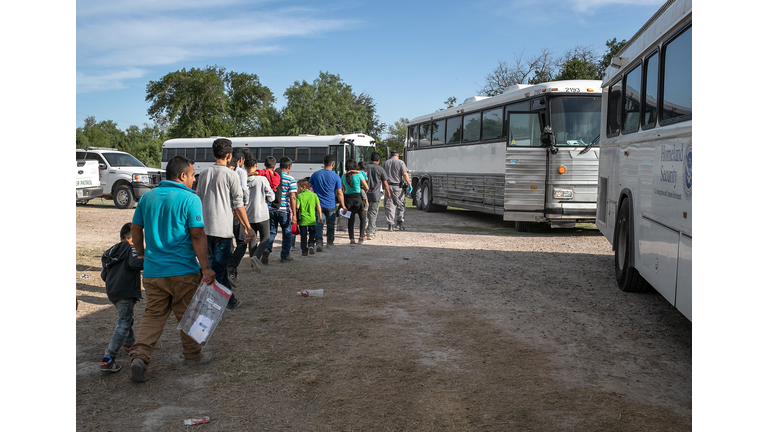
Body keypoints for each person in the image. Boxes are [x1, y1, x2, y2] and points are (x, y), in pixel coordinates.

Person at [129, 155, 218, 383]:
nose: (193, 179)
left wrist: (140, 252)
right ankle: (193, 356)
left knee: (153, 315)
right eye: (191, 175)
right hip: (183, 271)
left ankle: (139, 357)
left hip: (153, 272)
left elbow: (135, 229)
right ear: (182, 176)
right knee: (190, 314)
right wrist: (205, 267)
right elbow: (197, 234)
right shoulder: (190, 199)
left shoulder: (147, 197)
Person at [196, 138, 254, 309]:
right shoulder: (231, 175)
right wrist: (247, 227)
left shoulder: (204, 173)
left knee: (212, 266)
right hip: (222, 230)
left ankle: (225, 300)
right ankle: (224, 301)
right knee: (218, 270)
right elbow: (238, 204)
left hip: (205, 229)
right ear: (229, 155)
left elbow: (198, 199)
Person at [99, 222, 144, 373]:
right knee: (123, 323)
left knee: (126, 318)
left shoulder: (110, 251)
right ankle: (109, 358)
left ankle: (130, 344)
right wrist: (145, 255)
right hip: (125, 291)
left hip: (112, 291)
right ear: (132, 239)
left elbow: (103, 274)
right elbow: (135, 263)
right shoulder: (131, 248)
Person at [309, 154, 347, 250]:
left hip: (318, 204)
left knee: (318, 223)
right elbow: (339, 193)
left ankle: (318, 242)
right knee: (330, 224)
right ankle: (330, 242)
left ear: (323, 163)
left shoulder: (316, 174)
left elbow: (309, 187)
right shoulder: (336, 176)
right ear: (333, 164)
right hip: (330, 204)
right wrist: (343, 205)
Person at [244, 154, 274, 272]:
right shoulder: (262, 179)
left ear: (245, 166)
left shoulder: (242, 180)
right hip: (262, 214)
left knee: (252, 239)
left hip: (248, 214)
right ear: (256, 165)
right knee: (265, 238)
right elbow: (271, 197)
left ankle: (253, 265)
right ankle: (256, 257)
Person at [265, 156, 298, 263]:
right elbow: (293, 197)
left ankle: (267, 249)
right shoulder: (290, 179)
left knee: (272, 232)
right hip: (284, 210)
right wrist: (294, 214)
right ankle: (285, 255)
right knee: (287, 233)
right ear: (289, 167)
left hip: (271, 209)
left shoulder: (272, 177)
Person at [227, 149, 250, 284]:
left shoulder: (210, 172)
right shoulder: (240, 172)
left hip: (222, 214)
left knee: (228, 242)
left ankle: (229, 269)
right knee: (242, 241)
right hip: (236, 212)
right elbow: (243, 192)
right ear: (240, 160)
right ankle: (231, 267)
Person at [381, 149, 412, 231]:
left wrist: (383, 186)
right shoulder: (401, 162)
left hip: (387, 186)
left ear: (391, 155)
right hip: (397, 187)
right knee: (400, 205)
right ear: (398, 155)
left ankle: (390, 224)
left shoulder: (385, 163)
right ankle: (399, 223)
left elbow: (381, 176)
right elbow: (405, 174)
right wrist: (409, 184)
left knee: (389, 205)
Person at [364, 152, 391, 240]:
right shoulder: (380, 169)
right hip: (376, 194)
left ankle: (369, 227)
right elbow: (385, 183)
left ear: (370, 159)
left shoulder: (365, 168)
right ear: (378, 160)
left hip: (365, 194)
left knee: (366, 212)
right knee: (373, 213)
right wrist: (388, 192)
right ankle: (370, 232)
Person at [341, 159, 369, 244]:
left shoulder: (343, 176)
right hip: (358, 198)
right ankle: (361, 237)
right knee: (363, 218)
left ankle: (352, 239)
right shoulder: (359, 175)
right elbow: (366, 188)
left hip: (348, 199)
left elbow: (344, 189)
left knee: (351, 219)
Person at [296, 179, 322, 256]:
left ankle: (304, 250)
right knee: (312, 233)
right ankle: (311, 244)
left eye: (299, 187)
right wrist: (320, 216)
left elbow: (297, 207)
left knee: (303, 235)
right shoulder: (314, 195)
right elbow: (318, 206)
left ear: (303, 187)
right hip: (312, 219)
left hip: (302, 220)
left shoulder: (299, 196)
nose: (298, 189)